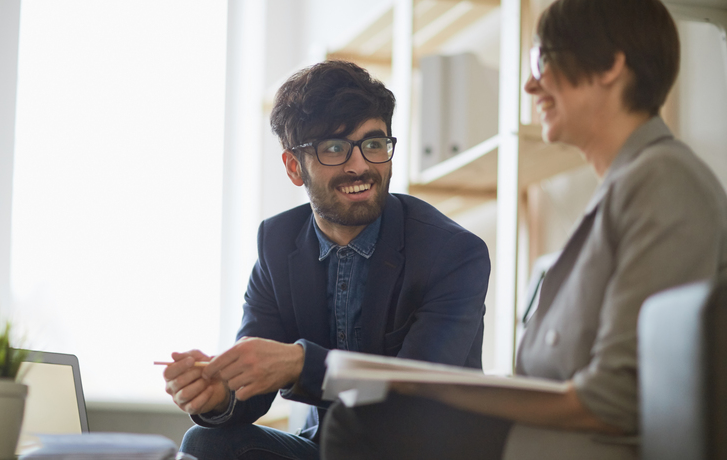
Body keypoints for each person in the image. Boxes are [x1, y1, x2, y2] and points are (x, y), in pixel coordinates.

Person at [321, 0, 727, 459]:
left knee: (365, 425)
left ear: (612, 65)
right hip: (563, 438)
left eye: (544, 60)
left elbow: (612, 400)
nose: (532, 83)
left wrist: (430, 387)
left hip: (593, 446)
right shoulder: (627, 186)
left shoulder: (662, 180)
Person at [162, 60, 492, 460]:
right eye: (334, 148)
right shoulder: (277, 244)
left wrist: (302, 365)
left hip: (423, 450)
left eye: (373, 144)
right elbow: (253, 388)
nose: (360, 165)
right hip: (327, 450)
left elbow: (416, 394)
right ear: (293, 167)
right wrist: (220, 397)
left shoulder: (453, 253)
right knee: (205, 444)